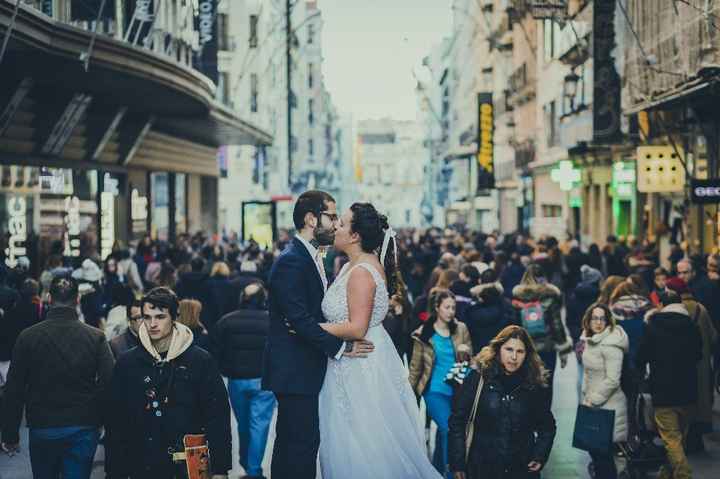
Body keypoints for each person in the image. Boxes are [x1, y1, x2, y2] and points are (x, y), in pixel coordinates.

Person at [313, 202, 442, 478]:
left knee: (360, 442)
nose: (336, 227)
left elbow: (358, 327)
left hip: (358, 366)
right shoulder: (357, 265)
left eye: (343, 223)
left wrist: (313, 328)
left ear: (356, 235)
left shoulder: (361, 272)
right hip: (358, 359)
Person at [261, 191, 374, 479]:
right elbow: (299, 320)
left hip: (303, 368)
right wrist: (341, 347)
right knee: (299, 446)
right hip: (294, 370)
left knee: (295, 445)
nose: (336, 224)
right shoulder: (292, 260)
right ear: (312, 219)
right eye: (331, 217)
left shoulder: (311, 256)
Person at [105, 287, 231, 479]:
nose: (152, 324)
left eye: (160, 317)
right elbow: (116, 420)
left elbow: (217, 415)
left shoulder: (199, 361)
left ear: (174, 318)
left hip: (188, 466)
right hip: (143, 465)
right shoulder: (128, 363)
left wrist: (220, 469)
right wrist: (114, 471)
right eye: (147, 317)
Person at [1, 277, 114, 479]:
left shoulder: (28, 337)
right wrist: (104, 421)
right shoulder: (96, 337)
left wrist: (10, 434)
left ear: (49, 298)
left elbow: (14, 388)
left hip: (43, 425)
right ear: (77, 299)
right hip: (84, 425)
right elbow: (109, 383)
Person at [448, 325, 556, 479]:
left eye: (520, 351)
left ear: (527, 355)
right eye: (509, 349)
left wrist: (539, 455)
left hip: (520, 469)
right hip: (482, 468)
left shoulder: (533, 385)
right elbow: (457, 421)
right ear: (498, 349)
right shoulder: (478, 378)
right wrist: (458, 463)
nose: (514, 357)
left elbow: (547, 427)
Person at [636, 290, 702, 479]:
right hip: (689, 391)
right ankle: (666, 474)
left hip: (663, 391)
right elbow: (699, 355)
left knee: (671, 439)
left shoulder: (652, 326)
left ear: (661, 305)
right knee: (678, 439)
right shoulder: (691, 326)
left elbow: (641, 357)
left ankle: (683, 475)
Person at [212, 283, 275, 479]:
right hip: (264, 380)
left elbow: (216, 351)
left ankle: (246, 462)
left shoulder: (226, 321)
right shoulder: (272, 321)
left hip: (237, 380)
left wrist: (224, 370)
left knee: (243, 423)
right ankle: (253, 469)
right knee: (259, 424)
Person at [408, 289, 472, 477]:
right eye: (447, 307)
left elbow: (472, 359)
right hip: (434, 390)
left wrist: (466, 355)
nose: (451, 311)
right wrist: (410, 396)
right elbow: (415, 367)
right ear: (437, 308)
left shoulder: (461, 329)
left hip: (458, 388)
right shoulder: (423, 334)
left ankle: (437, 468)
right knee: (448, 428)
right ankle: (451, 474)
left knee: (450, 431)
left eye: (453, 307)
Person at [664, 276, 718, 453]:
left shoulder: (667, 310)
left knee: (680, 403)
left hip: (676, 364)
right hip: (700, 364)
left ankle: (679, 441)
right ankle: (695, 440)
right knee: (699, 401)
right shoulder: (700, 309)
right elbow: (713, 337)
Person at [511, 263, 572, 407]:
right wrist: (563, 351)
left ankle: (528, 419)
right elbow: (557, 325)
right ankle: (544, 420)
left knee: (527, 384)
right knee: (546, 385)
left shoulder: (518, 298)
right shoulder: (550, 296)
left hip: (525, 349)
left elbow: (513, 326)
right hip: (547, 348)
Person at [580, 304, 629, 479]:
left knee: (604, 457)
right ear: (589, 320)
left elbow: (613, 379)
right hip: (593, 405)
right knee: (597, 454)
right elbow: (588, 372)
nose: (598, 322)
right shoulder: (591, 340)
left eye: (602, 318)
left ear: (608, 321)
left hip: (609, 407)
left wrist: (592, 399)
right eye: (595, 318)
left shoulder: (610, 344)